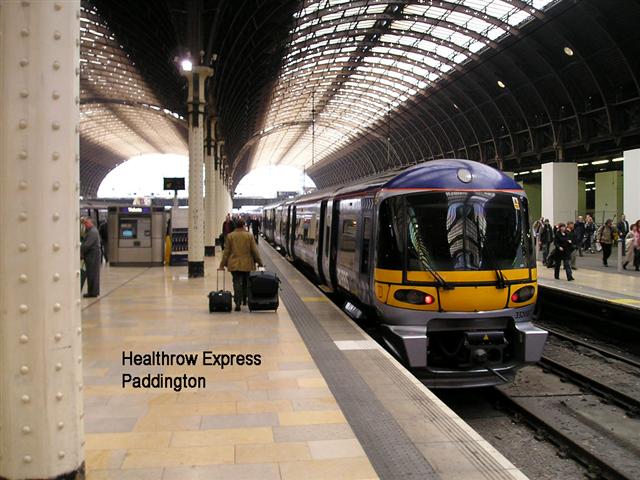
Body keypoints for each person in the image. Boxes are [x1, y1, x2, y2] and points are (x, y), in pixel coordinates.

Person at [218, 219, 263, 311]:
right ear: (243, 225)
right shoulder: (249, 236)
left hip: (234, 264)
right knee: (246, 282)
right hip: (247, 264)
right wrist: (259, 262)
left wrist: (222, 264)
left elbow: (226, 252)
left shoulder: (230, 236)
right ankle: (245, 299)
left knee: (236, 282)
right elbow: (254, 251)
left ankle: (237, 302)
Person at [81, 218, 101, 297]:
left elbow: (87, 245)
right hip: (91, 255)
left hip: (92, 255)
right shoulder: (91, 231)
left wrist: (80, 252)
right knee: (92, 273)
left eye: (87, 223)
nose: (85, 224)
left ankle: (92, 292)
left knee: (92, 273)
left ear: (91, 223)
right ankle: (93, 291)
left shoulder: (92, 232)